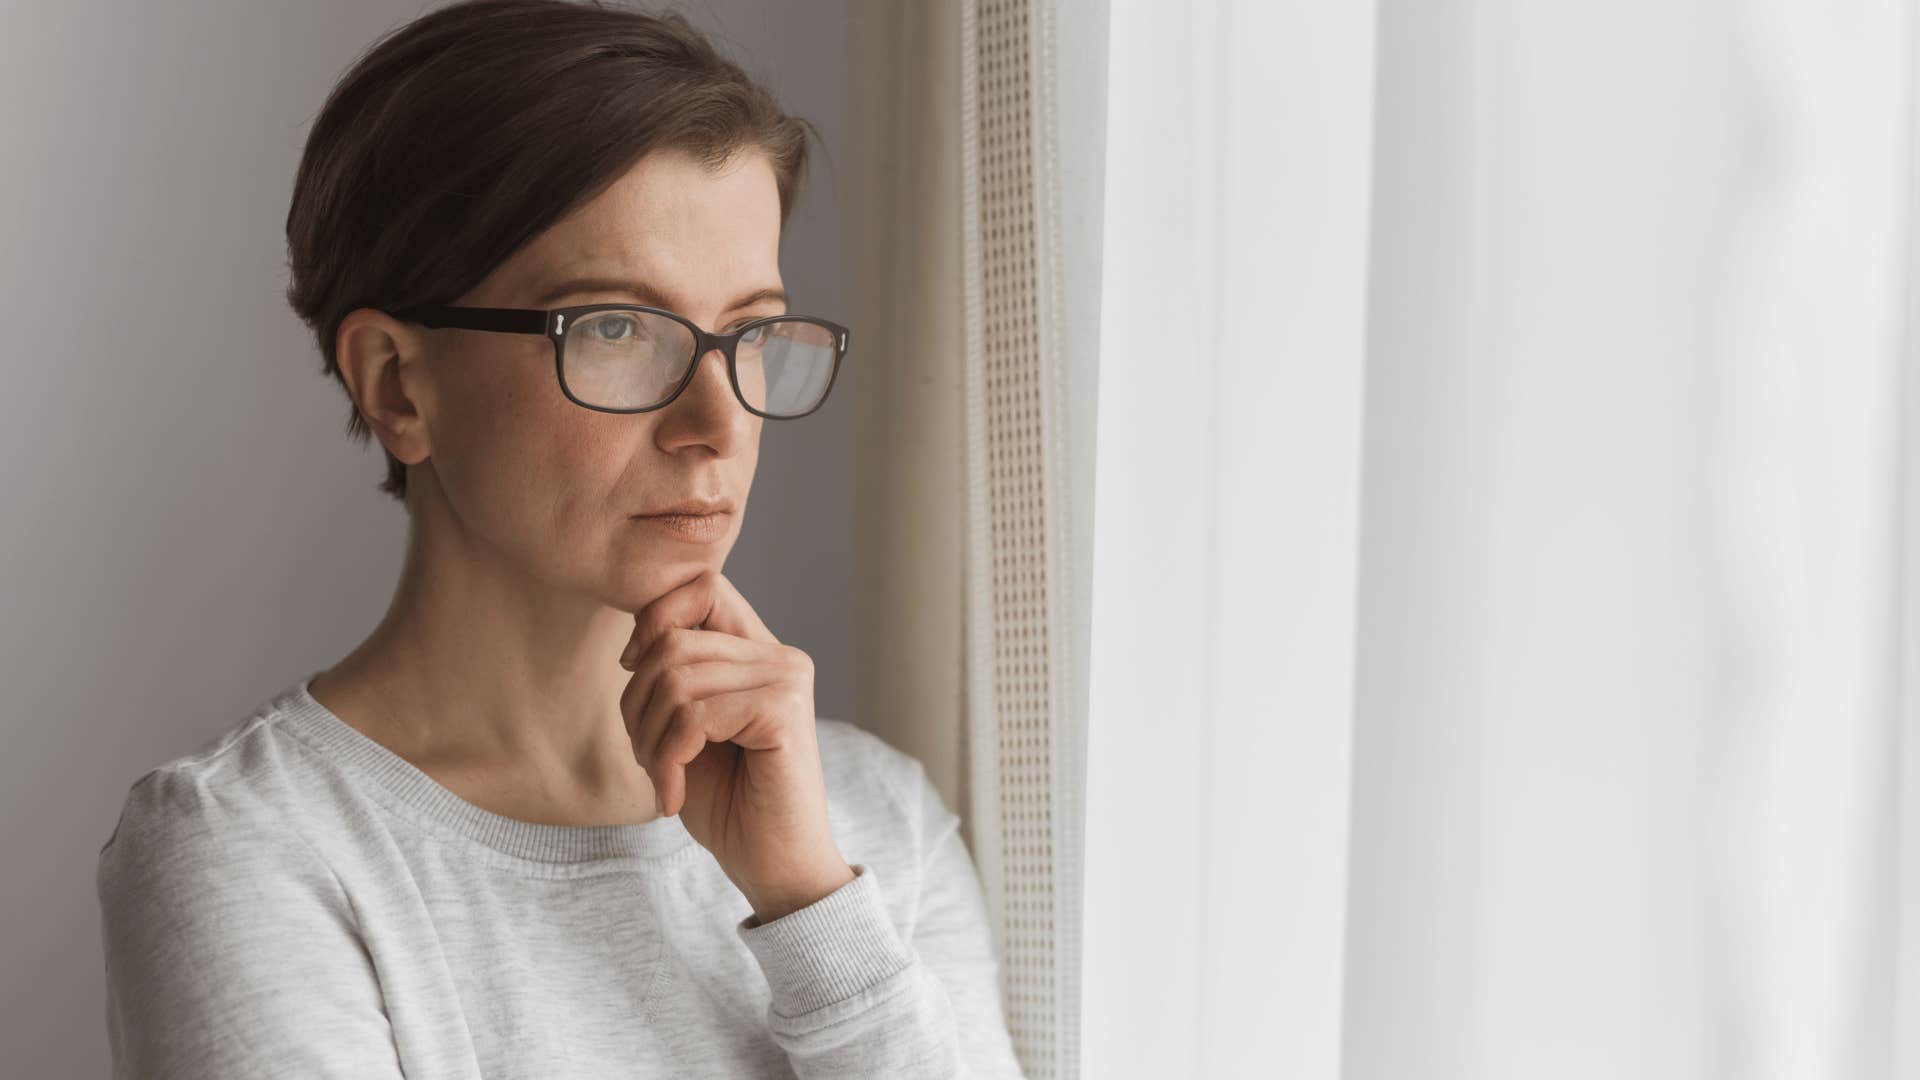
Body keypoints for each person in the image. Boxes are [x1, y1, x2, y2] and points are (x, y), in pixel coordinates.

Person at [93, 2, 1025, 1076]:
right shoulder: (254, 849)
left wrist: (811, 904)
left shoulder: (870, 824)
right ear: (400, 386)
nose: (719, 422)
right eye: (619, 328)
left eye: (751, 334)